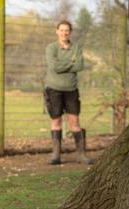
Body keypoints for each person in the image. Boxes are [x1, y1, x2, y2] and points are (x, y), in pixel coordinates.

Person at [44, 20, 93, 165]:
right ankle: (56, 155)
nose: (64, 33)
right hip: (53, 89)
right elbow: (54, 67)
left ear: (70, 32)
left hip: (71, 89)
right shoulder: (51, 48)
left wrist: (64, 64)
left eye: (67, 30)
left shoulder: (76, 48)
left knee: (75, 122)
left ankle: (81, 155)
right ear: (57, 31)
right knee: (56, 121)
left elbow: (79, 65)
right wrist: (70, 63)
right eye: (62, 30)